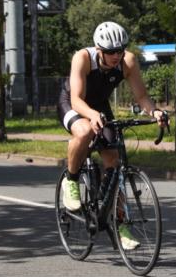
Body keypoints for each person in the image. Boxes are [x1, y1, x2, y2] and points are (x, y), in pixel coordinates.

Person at [58, 22, 167, 249]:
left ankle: (121, 227)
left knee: (114, 163)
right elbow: (77, 99)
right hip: (73, 103)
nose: (117, 55)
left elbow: (142, 96)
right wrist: (91, 115)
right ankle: (71, 180)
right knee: (85, 131)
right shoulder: (83, 58)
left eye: (120, 50)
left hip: (100, 107)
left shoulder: (128, 61)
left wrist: (155, 111)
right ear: (99, 50)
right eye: (111, 52)